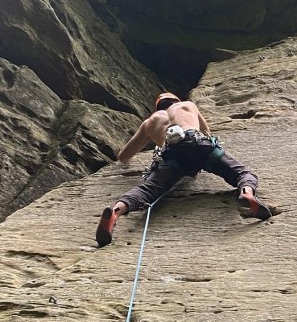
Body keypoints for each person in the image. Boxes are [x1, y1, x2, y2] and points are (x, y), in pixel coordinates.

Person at [96, 93, 271, 246]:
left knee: (147, 191)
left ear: (158, 107)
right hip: (198, 144)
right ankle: (247, 193)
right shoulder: (188, 105)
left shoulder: (150, 122)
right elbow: (207, 133)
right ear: (176, 101)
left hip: (172, 155)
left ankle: (115, 212)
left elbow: (124, 156)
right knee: (243, 174)